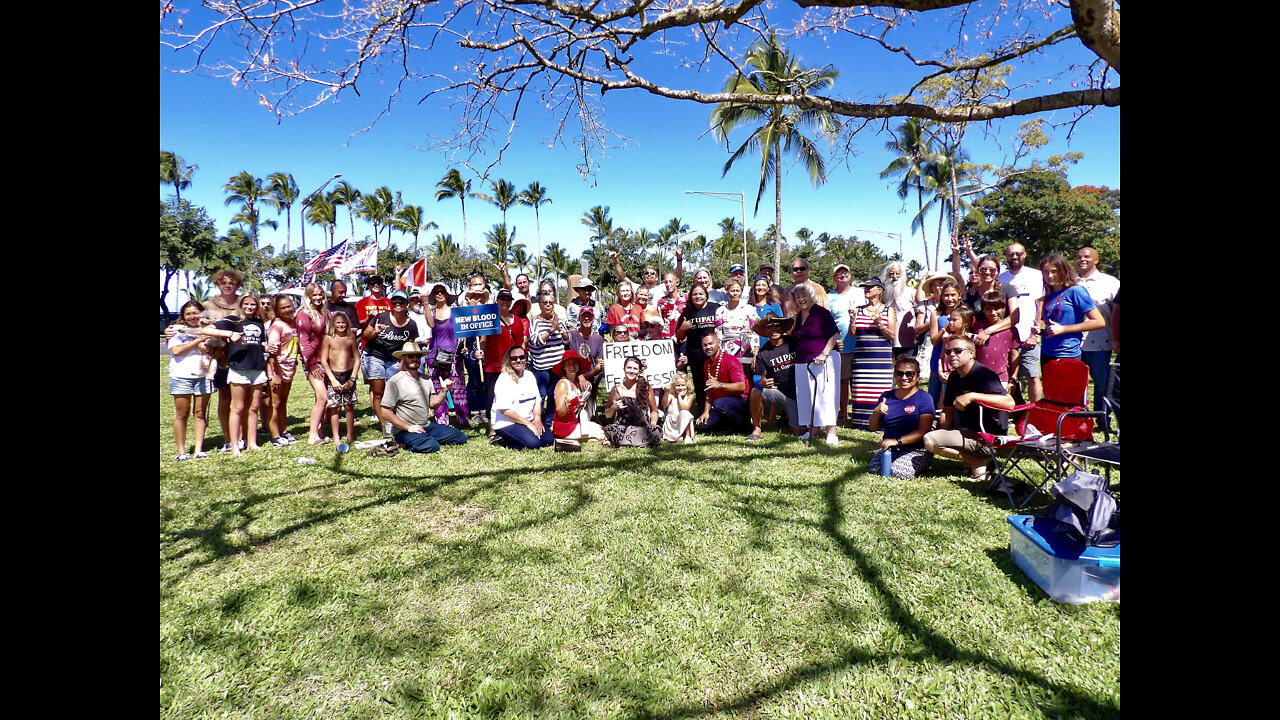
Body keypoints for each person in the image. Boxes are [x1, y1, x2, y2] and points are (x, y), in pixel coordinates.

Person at [924, 336, 1015, 481]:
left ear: (971, 353)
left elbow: (1009, 403)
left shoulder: (983, 375)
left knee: (930, 440)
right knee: (924, 425)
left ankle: (977, 461)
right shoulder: (954, 376)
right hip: (965, 429)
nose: (952, 355)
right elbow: (947, 410)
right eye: (948, 352)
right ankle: (972, 460)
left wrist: (973, 396)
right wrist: (942, 431)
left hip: (987, 437)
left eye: (958, 350)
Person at [207, 294, 269, 457]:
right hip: (238, 368)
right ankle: (234, 445)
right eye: (246, 304)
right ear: (241, 304)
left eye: (253, 305)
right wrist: (228, 334)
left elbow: (256, 344)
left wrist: (267, 349)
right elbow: (207, 329)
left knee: (254, 407)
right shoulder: (233, 320)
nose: (250, 307)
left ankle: (252, 443)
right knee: (238, 407)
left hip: (257, 369)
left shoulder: (259, 323)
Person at [380, 343, 469, 453]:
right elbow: (385, 411)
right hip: (404, 430)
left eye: (418, 356)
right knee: (432, 446)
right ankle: (404, 443)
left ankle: (424, 439)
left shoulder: (426, 379)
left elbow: (433, 405)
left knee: (460, 437)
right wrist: (408, 427)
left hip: (426, 426)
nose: (415, 359)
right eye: (411, 356)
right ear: (403, 358)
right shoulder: (395, 381)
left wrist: (444, 391)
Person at [362, 289, 421, 435]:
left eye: (401, 302)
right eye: (394, 301)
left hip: (394, 358)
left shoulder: (411, 324)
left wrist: (402, 365)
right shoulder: (381, 317)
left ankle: (393, 421)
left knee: (393, 392)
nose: (397, 304)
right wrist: (375, 331)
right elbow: (366, 336)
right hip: (373, 356)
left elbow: (408, 348)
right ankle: (385, 425)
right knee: (378, 392)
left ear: (407, 304)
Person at [867, 355, 936, 480]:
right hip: (891, 448)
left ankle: (921, 464)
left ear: (917, 376)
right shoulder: (886, 396)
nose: (904, 378)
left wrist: (896, 440)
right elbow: (873, 427)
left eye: (909, 374)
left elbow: (923, 431)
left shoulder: (924, 398)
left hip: (917, 450)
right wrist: (876, 412)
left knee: (899, 472)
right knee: (874, 469)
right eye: (899, 373)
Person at [790, 282, 840, 445]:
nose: (801, 299)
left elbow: (834, 335)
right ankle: (813, 430)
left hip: (821, 361)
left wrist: (824, 354)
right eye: (798, 297)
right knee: (807, 396)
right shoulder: (799, 315)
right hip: (802, 362)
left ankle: (831, 431)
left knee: (825, 395)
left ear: (811, 296)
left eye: (804, 295)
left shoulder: (821, 313)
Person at [199, 268, 243, 454]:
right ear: (218, 283)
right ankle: (228, 438)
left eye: (231, 282)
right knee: (225, 399)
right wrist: (210, 350)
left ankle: (243, 436)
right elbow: (198, 331)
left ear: (237, 284)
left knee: (243, 401)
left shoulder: (245, 303)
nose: (228, 285)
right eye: (224, 282)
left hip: (242, 357)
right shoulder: (207, 305)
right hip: (220, 358)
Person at [1074, 246, 1120, 423]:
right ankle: (1078, 420)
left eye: (1086, 257)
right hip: (1075, 343)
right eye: (1079, 257)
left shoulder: (1110, 283)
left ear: (1096, 260)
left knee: (1102, 385)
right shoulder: (1070, 282)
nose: (1082, 260)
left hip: (1100, 342)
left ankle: (1102, 421)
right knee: (1076, 385)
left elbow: (1116, 313)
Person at [1036, 253, 1105, 368]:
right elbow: (1054, 327)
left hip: (1068, 354)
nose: (1050, 275)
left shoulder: (1076, 291)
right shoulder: (1048, 296)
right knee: (1050, 387)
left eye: (1054, 271)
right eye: (1045, 272)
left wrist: (1063, 329)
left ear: (1063, 271)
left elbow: (1099, 322)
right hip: (1047, 353)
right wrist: (1039, 330)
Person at [849, 277, 897, 430]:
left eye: (870, 287)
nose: (866, 290)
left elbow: (891, 335)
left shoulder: (888, 310)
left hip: (881, 359)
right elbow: (852, 334)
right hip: (862, 359)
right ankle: (860, 422)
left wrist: (880, 324)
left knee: (880, 389)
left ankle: (880, 421)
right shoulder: (858, 309)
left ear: (879, 290)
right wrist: (852, 320)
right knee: (861, 389)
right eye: (865, 288)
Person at [998, 243, 1044, 402]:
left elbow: (1040, 305)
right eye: (1010, 254)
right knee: (1008, 376)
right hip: (1007, 336)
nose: (1014, 257)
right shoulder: (1000, 278)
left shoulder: (1036, 275)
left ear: (1025, 255)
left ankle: (1037, 413)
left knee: (1032, 376)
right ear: (1006, 256)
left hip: (1028, 335)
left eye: (1018, 253)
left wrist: (1034, 332)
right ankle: (1014, 410)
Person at [747, 313, 804, 441]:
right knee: (755, 392)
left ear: (782, 327)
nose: (773, 329)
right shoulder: (763, 352)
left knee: (799, 431)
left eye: (777, 325)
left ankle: (793, 417)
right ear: (765, 331)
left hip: (802, 393)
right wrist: (760, 383)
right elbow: (757, 377)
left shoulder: (793, 342)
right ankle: (757, 429)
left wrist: (834, 345)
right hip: (781, 393)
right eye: (769, 326)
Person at [168, 301, 213, 461]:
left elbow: (212, 348)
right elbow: (177, 350)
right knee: (182, 414)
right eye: (188, 314)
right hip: (181, 376)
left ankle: (198, 449)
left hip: (203, 376)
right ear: (184, 316)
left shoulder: (210, 330)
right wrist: (198, 339)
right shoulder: (176, 332)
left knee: (200, 413)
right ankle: (181, 451)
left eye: (196, 313)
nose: (192, 316)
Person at [422, 282, 470, 428]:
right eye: (436, 292)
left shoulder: (456, 311)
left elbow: (463, 332)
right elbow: (431, 324)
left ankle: (462, 420)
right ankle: (442, 422)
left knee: (458, 390)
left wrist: (464, 347)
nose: (440, 294)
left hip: (454, 357)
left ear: (447, 294)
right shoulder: (432, 311)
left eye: (442, 291)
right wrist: (425, 304)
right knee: (438, 391)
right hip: (434, 356)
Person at [480, 289, 529, 430]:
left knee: (515, 395)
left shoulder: (519, 321)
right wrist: (480, 351)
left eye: (508, 300)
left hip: (514, 365)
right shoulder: (489, 319)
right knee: (492, 396)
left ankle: (515, 422)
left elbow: (520, 344)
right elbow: (483, 341)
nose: (505, 302)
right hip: (494, 365)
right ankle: (491, 428)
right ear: (497, 301)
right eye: (502, 299)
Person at [491, 346, 555, 450]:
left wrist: (537, 419)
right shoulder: (504, 379)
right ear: (509, 360)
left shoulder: (529, 375)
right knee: (534, 444)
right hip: (507, 422)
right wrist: (528, 424)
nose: (518, 360)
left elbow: (537, 401)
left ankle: (520, 436)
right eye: (514, 358)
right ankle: (503, 440)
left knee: (548, 441)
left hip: (528, 419)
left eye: (521, 357)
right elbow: (505, 411)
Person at [674, 284, 720, 415]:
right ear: (691, 296)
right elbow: (679, 336)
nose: (698, 296)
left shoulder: (716, 308)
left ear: (706, 295)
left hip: (713, 354)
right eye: (695, 294)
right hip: (695, 354)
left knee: (716, 383)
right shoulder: (687, 312)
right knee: (700, 386)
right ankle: (702, 413)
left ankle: (718, 412)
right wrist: (683, 328)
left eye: (701, 294)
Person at [296, 283, 332, 445]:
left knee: (325, 398)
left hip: (327, 361)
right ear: (308, 296)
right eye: (314, 295)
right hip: (313, 362)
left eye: (320, 294)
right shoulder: (303, 314)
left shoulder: (326, 313)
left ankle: (320, 432)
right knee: (322, 396)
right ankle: (312, 435)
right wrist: (311, 365)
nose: (318, 298)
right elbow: (303, 342)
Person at [695, 332, 751, 432]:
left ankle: (743, 424)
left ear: (718, 343)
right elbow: (709, 390)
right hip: (720, 404)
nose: (708, 347)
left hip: (740, 401)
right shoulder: (707, 364)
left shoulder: (730, 360)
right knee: (703, 426)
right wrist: (706, 411)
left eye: (711, 343)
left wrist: (719, 385)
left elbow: (742, 386)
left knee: (719, 404)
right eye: (705, 345)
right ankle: (727, 423)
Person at [320, 310, 360, 447]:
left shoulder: (351, 338)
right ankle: (336, 436)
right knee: (335, 408)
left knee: (349, 407)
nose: (341, 325)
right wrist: (332, 379)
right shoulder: (328, 338)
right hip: (334, 376)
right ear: (333, 324)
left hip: (349, 375)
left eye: (343, 323)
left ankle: (350, 434)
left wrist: (353, 378)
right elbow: (324, 360)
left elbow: (357, 359)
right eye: (338, 323)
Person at [266, 294, 302, 447]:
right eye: (284, 308)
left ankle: (284, 430)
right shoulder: (277, 325)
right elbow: (272, 352)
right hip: (277, 369)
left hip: (290, 368)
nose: (288, 310)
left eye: (289, 306)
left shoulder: (293, 323)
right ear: (277, 310)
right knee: (275, 403)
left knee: (283, 402)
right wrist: (275, 375)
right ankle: (275, 435)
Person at [529, 290, 569, 425]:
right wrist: (551, 329)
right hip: (541, 367)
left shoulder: (558, 319)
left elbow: (567, 340)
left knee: (553, 394)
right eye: (544, 302)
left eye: (550, 303)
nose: (548, 305)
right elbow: (535, 341)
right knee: (540, 394)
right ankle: (536, 419)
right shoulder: (534, 321)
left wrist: (561, 330)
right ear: (539, 305)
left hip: (557, 366)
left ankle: (549, 420)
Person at [603, 356, 662, 447]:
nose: (631, 371)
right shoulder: (616, 389)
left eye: (635, 369)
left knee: (656, 432)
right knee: (609, 428)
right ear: (624, 369)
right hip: (623, 428)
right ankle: (637, 442)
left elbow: (654, 410)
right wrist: (613, 408)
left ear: (639, 371)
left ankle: (619, 442)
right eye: (629, 368)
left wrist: (653, 422)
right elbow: (607, 414)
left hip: (642, 428)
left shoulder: (646, 388)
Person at [826, 263, 859, 423]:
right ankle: (843, 412)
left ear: (850, 275)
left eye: (845, 272)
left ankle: (859, 411)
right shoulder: (829, 297)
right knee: (843, 380)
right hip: (842, 345)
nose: (842, 275)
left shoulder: (860, 294)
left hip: (861, 343)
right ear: (834, 278)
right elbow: (827, 321)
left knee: (859, 379)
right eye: (839, 273)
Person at [457, 273, 492, 424]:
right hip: (470, 350)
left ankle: (485, 411)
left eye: (480, 296)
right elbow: (462, 332)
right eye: (474, 295)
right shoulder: (463, 311)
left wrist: (482, 349)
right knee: (474, 382)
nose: (477, 299)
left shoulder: (489, 310)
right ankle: (475, 412)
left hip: (484, 351)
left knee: (485, 382)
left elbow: (487, 332)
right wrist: (464, 347)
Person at [551, 350, 606, 442]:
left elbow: (581, 407)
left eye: (574, 363)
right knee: (601, 435)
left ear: (578, 366)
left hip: (577, 423)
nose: (572, 366)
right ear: (564, 367)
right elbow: (559, 412)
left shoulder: (577, 383)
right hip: (565, 428)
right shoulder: (563, 384)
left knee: (602, 428)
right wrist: (567, 403)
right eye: (568, 363)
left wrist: (584, 401)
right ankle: (582, 438)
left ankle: (584, 437)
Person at [972, 292, 1019, 392]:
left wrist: (1013, 379)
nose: (993, 313)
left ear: (1003, 308)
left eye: (996, 308)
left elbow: (1014, 355)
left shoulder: (1011, 330)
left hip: (1001, 377)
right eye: (988, 309)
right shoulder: (977, 326)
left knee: (999, 405)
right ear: (983, 310)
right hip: (979, 376)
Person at [566, 306, 605, 418]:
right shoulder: (572, 335)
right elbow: (570, 360)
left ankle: (591, 418)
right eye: (584, 316)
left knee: (589, 408)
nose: (587, 318)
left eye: (589, 316)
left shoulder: (599, 339)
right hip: (573, 376)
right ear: (579, 318)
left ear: (593, 319)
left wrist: (585, 377)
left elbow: (599, 364)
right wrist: (579, 377)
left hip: (591, 376)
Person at [715, 278, 757, 359]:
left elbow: (755, 332)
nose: (735, 293)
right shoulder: (720, 311)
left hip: (746, 349)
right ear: (727, 293)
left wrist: (756, 352)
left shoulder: (749, 309)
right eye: (732, 291)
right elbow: (718, 334)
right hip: (727, 350)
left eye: (737, 291)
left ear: (741, 292)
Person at [882, 261, 917, 358]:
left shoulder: (912, 292)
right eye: (891, 273)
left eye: (897, 273)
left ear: (902, 275)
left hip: (909, 342)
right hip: (888, 342)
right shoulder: (883, 294)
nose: (894, 276)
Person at [661, 371, 697, 444]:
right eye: (678, 385)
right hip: (672, 424)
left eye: (683, 385)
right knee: (679, 440)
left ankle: (687, 436)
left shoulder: (689, 396)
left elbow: (684, 408)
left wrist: (680, 397)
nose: (680, 388)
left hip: (683, 422)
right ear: (674, 386)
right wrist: (666, 393)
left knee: (685, 413)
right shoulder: (672, 396)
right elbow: (664, 404)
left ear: (687, 386)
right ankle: (677, 436)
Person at [657, 272, 688, 339]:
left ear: (677, 283)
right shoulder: (661, 301)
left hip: (683, 339)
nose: (668, 284)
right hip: (667, 339)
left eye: (670, 281)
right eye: (666, 282)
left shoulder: (686, 299)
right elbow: (660, 321)